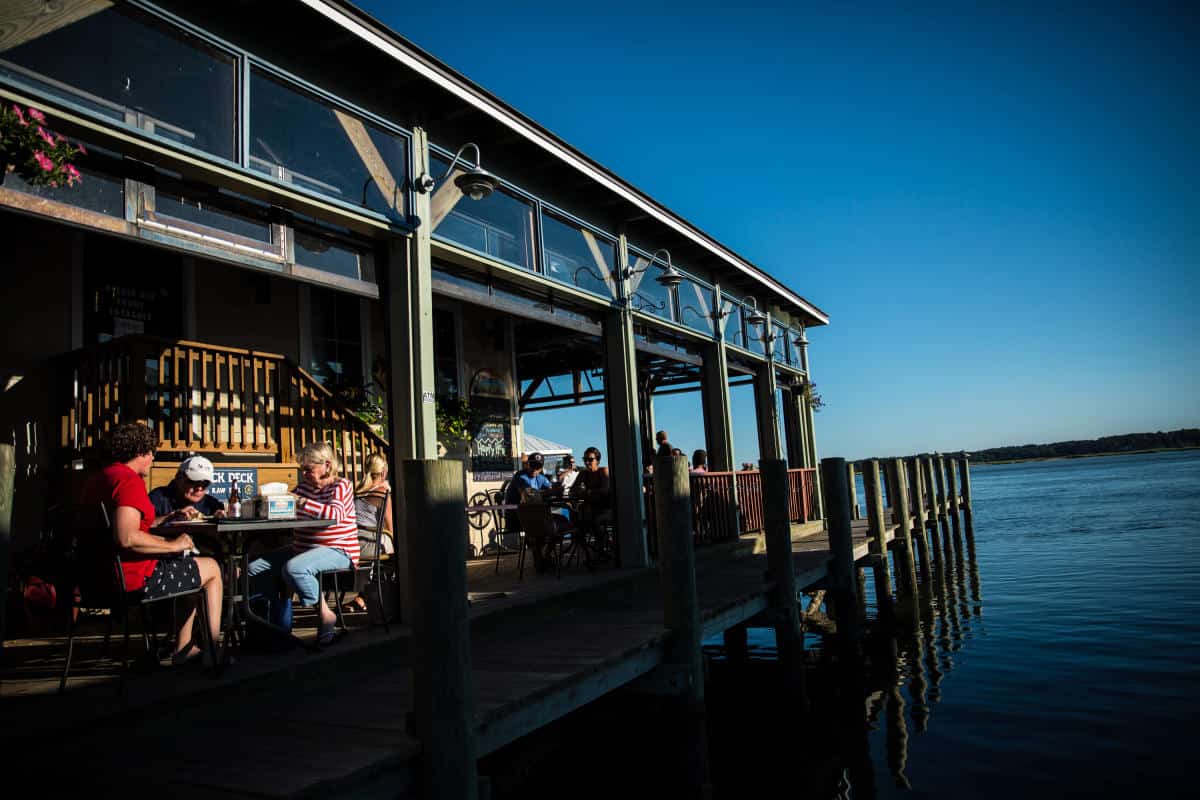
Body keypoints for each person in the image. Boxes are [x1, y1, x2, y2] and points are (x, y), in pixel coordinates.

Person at [82, 422, 223, 666]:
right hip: (132, 579)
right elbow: (126, 537)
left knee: (191, 570)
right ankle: (212, 650)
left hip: (95, 578)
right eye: (151, 453)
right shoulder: (128, 481)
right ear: (142, 452)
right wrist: (174, 544)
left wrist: (165, 520)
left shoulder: (101, 478)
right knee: (211, 568)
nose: (152, 459)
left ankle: (184, 648)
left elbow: (125, 526)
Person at [248, 442, 357, 645]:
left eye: (309, 469)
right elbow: (288, 510)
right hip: (302, 548)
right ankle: (275, 625)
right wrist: (267, 504)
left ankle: (325, 613)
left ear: (326, 464)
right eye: (303, 470)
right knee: (254, 567)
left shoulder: (341, 485)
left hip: (337, 548)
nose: (305, 474)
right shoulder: (303, 488)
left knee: (294, 568)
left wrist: (300, 502)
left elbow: (335, 515)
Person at [345, 452, 394, 612]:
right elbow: (391, 527)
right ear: (383, 472)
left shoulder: (358, 491)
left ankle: (362, 597)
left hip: (351, 543)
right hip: (369, 544)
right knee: (399, 550)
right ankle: (387, 598)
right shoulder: (382, 493)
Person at [504, 452, 559, 572]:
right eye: (532, 465)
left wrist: (555, 489)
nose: (534, 468)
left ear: (541, 468)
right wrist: (549, 492)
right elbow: (528, 496)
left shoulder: (540, 478)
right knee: (542, 527)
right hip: (516, 518)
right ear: (527, 465)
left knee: (556, 525)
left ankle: (543, 557)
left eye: (538, 466)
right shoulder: (520, 476)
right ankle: (542, 559)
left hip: (532, 516)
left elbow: (552, 488)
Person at [148, 455, 226, 520]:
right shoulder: (157, 499)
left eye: (205, 483)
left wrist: (221, 519)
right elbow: (140, 527)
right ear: (178, 478)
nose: (199, 488)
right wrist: (171, 517)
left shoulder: (211, 504)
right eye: (194, 481)